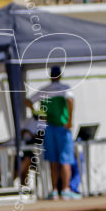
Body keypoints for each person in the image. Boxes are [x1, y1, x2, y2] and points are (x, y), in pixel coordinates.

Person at [25, 66, 79, 199]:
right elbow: (71, 101)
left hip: (48, 127)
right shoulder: (64, 87)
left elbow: (28, 101)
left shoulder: (44, 89)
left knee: (53, 160)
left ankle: (54, 190)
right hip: (62, 126)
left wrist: (38, 113)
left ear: (50, 76)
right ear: (60, 75)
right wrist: (70, 120)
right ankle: (66, 189)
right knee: (66, 160)